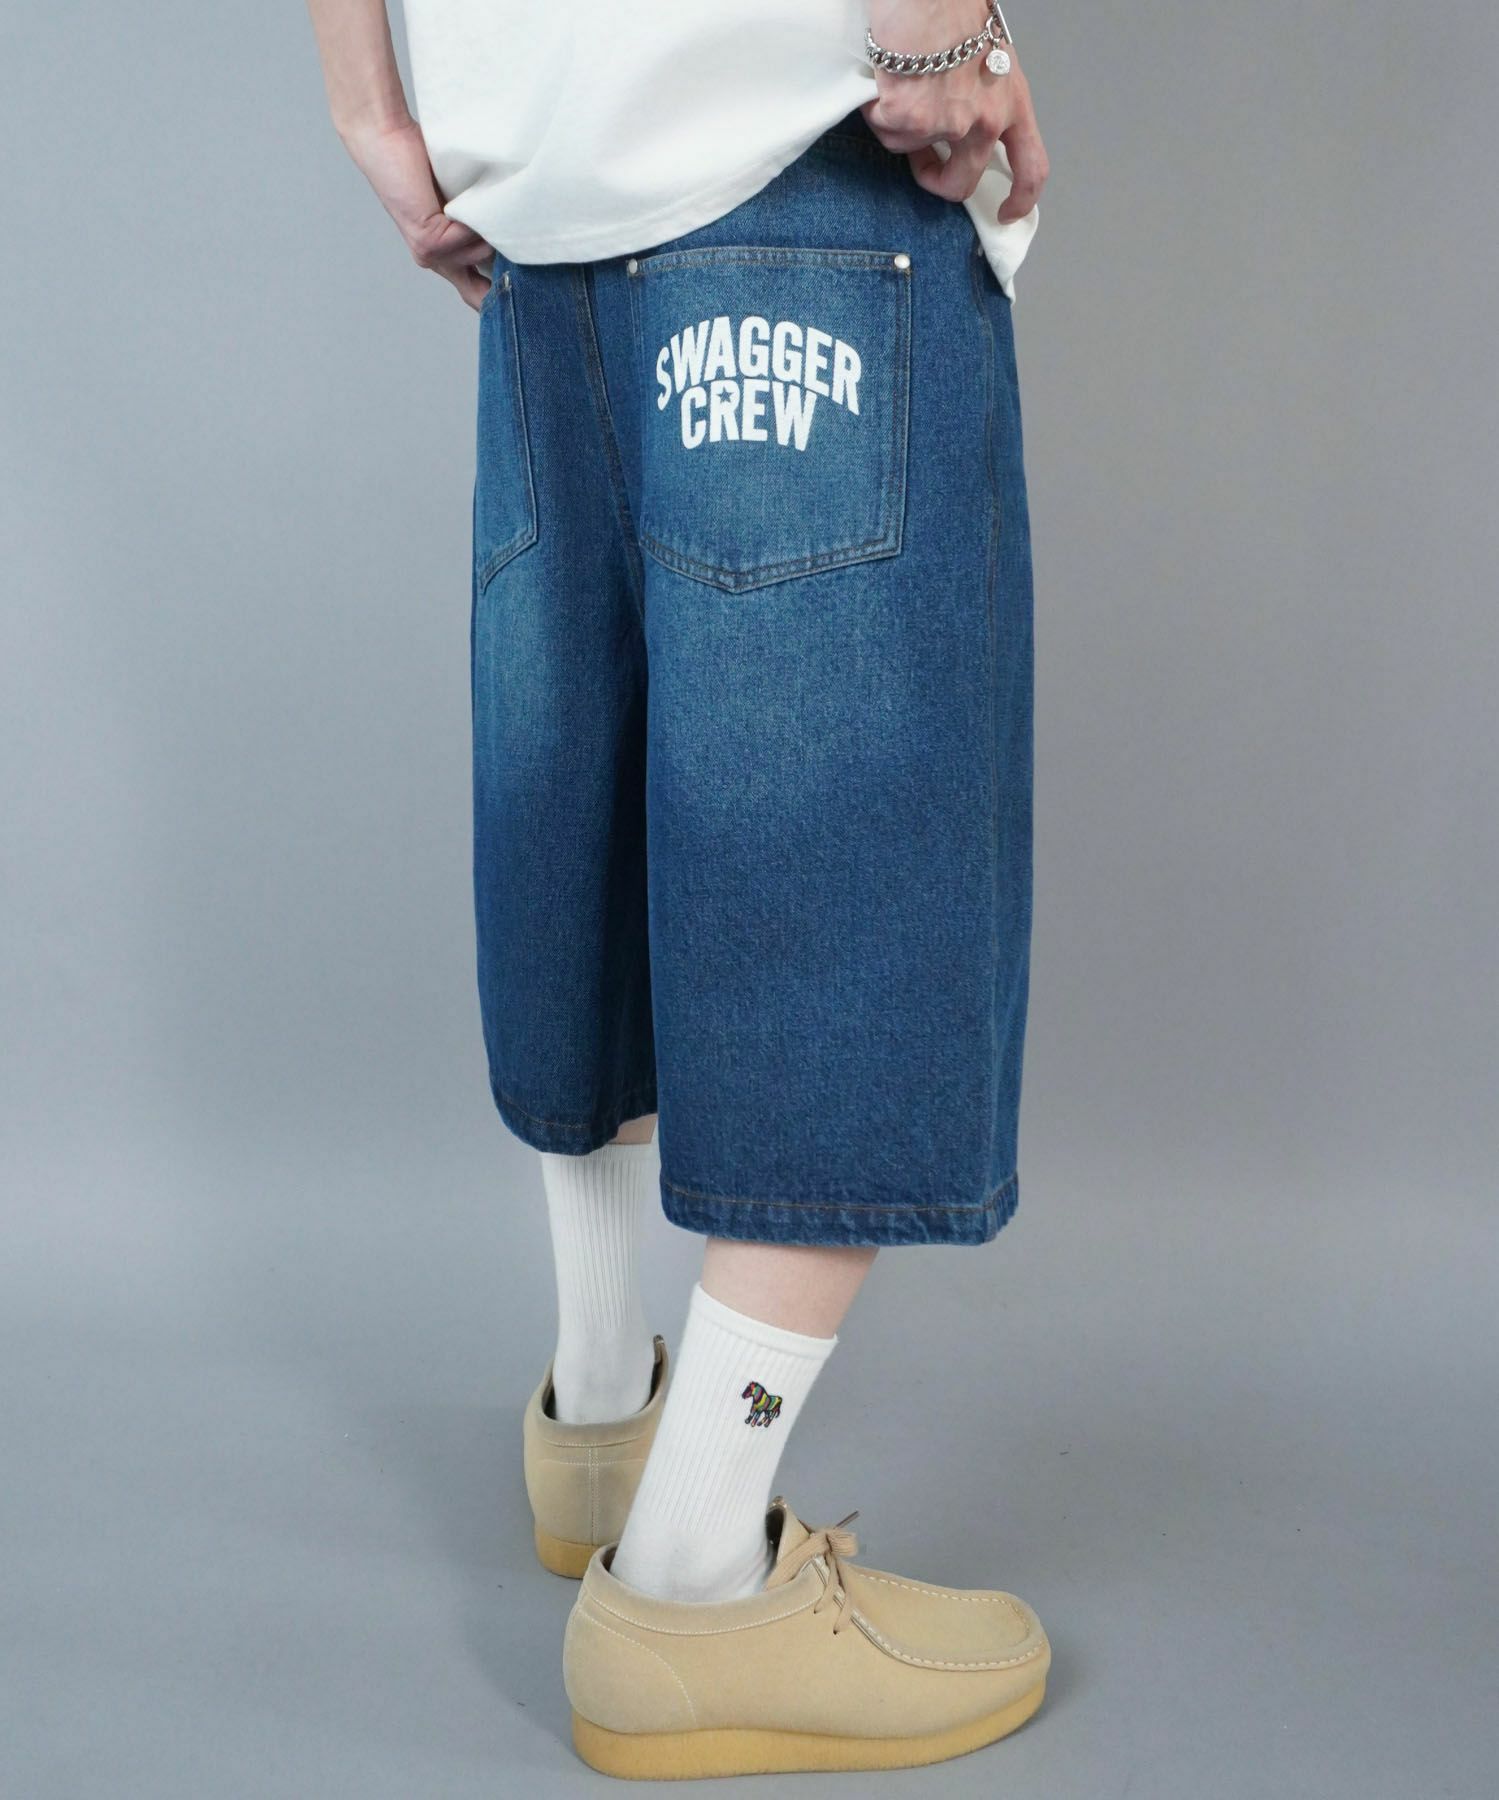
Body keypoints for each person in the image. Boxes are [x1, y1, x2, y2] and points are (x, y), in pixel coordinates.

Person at [306, 0, 1050, 1778]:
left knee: (591, 793)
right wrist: (931, 31)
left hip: (530, 191)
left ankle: (597, 1414)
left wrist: (367, 97)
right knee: (846, 862)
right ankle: (694, 1579)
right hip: (781, 147)